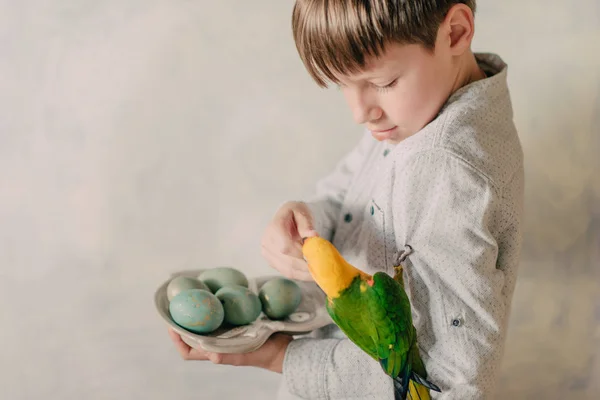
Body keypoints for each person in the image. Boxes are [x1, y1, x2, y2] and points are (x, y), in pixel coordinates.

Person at [168, 1, 524, 398]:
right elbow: (348, 194)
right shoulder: (415, 116)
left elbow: (453, 381)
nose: (359, 112)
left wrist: (283, 357)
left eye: (383, 82)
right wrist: (305, 218)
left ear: (456, 32)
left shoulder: (446, 169)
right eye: (342, 84)